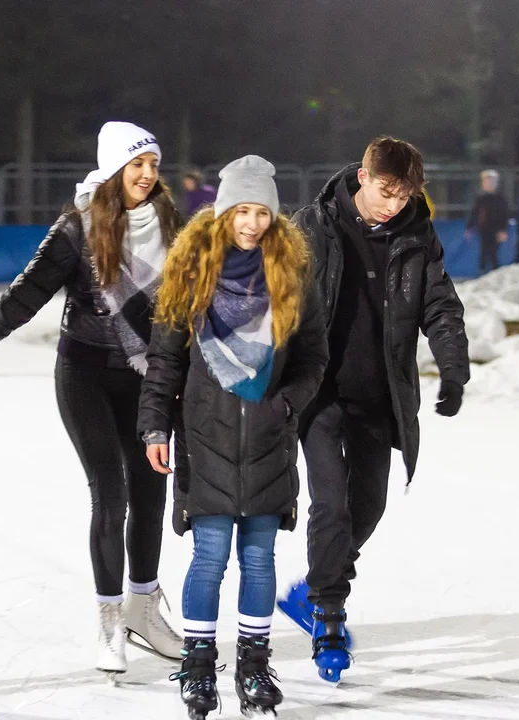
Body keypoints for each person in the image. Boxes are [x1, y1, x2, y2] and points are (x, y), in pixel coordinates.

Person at [0, 121, 183, 675]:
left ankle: (143, 606)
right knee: (111, 495)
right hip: (84, 374)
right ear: (114, 169)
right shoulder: (78, 226)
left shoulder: (170, 224)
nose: (147, 174)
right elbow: (25, 294)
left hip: (146, 379)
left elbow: (194, 302)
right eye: (137, 164)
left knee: (151, 494)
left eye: (153, 164)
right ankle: (111, 619)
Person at [139, 155, 328, 719]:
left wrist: (287, 403)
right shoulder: (190, 276)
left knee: (261, 558)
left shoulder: (291, 278)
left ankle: (253, 663)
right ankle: (198, 666)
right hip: (205, 437)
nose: (250, 223)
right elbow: (164, 362)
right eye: (241, 210)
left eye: (260, 212)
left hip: (270, 439)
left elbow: (314, 357)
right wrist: (155, 425)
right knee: (210, 556)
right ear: (222, 214)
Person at [276, 136, 469, 682]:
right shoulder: (309, 227)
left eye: (405, 194)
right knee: (330, 503)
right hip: (319, 392)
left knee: (370, 505)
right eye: (388, 191)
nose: (395, 203)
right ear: (363, 177)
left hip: (378, 394)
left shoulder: (416, 234)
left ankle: (316, 583)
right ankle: (328, 616)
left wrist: (453, 368)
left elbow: (439, 304)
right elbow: (272, 300)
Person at [465, 169, 509, 274]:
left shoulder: (500, 198)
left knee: (493, 253)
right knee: (484, 252)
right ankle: (482, 272)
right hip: (484, 229)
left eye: (491, 181)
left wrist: (503, 230)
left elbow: (504, 215)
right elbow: (475, 212)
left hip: (496, 229)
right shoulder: (480, 197)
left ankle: (495, 274)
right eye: (486, 181)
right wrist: (469, 227)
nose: (488, 183)